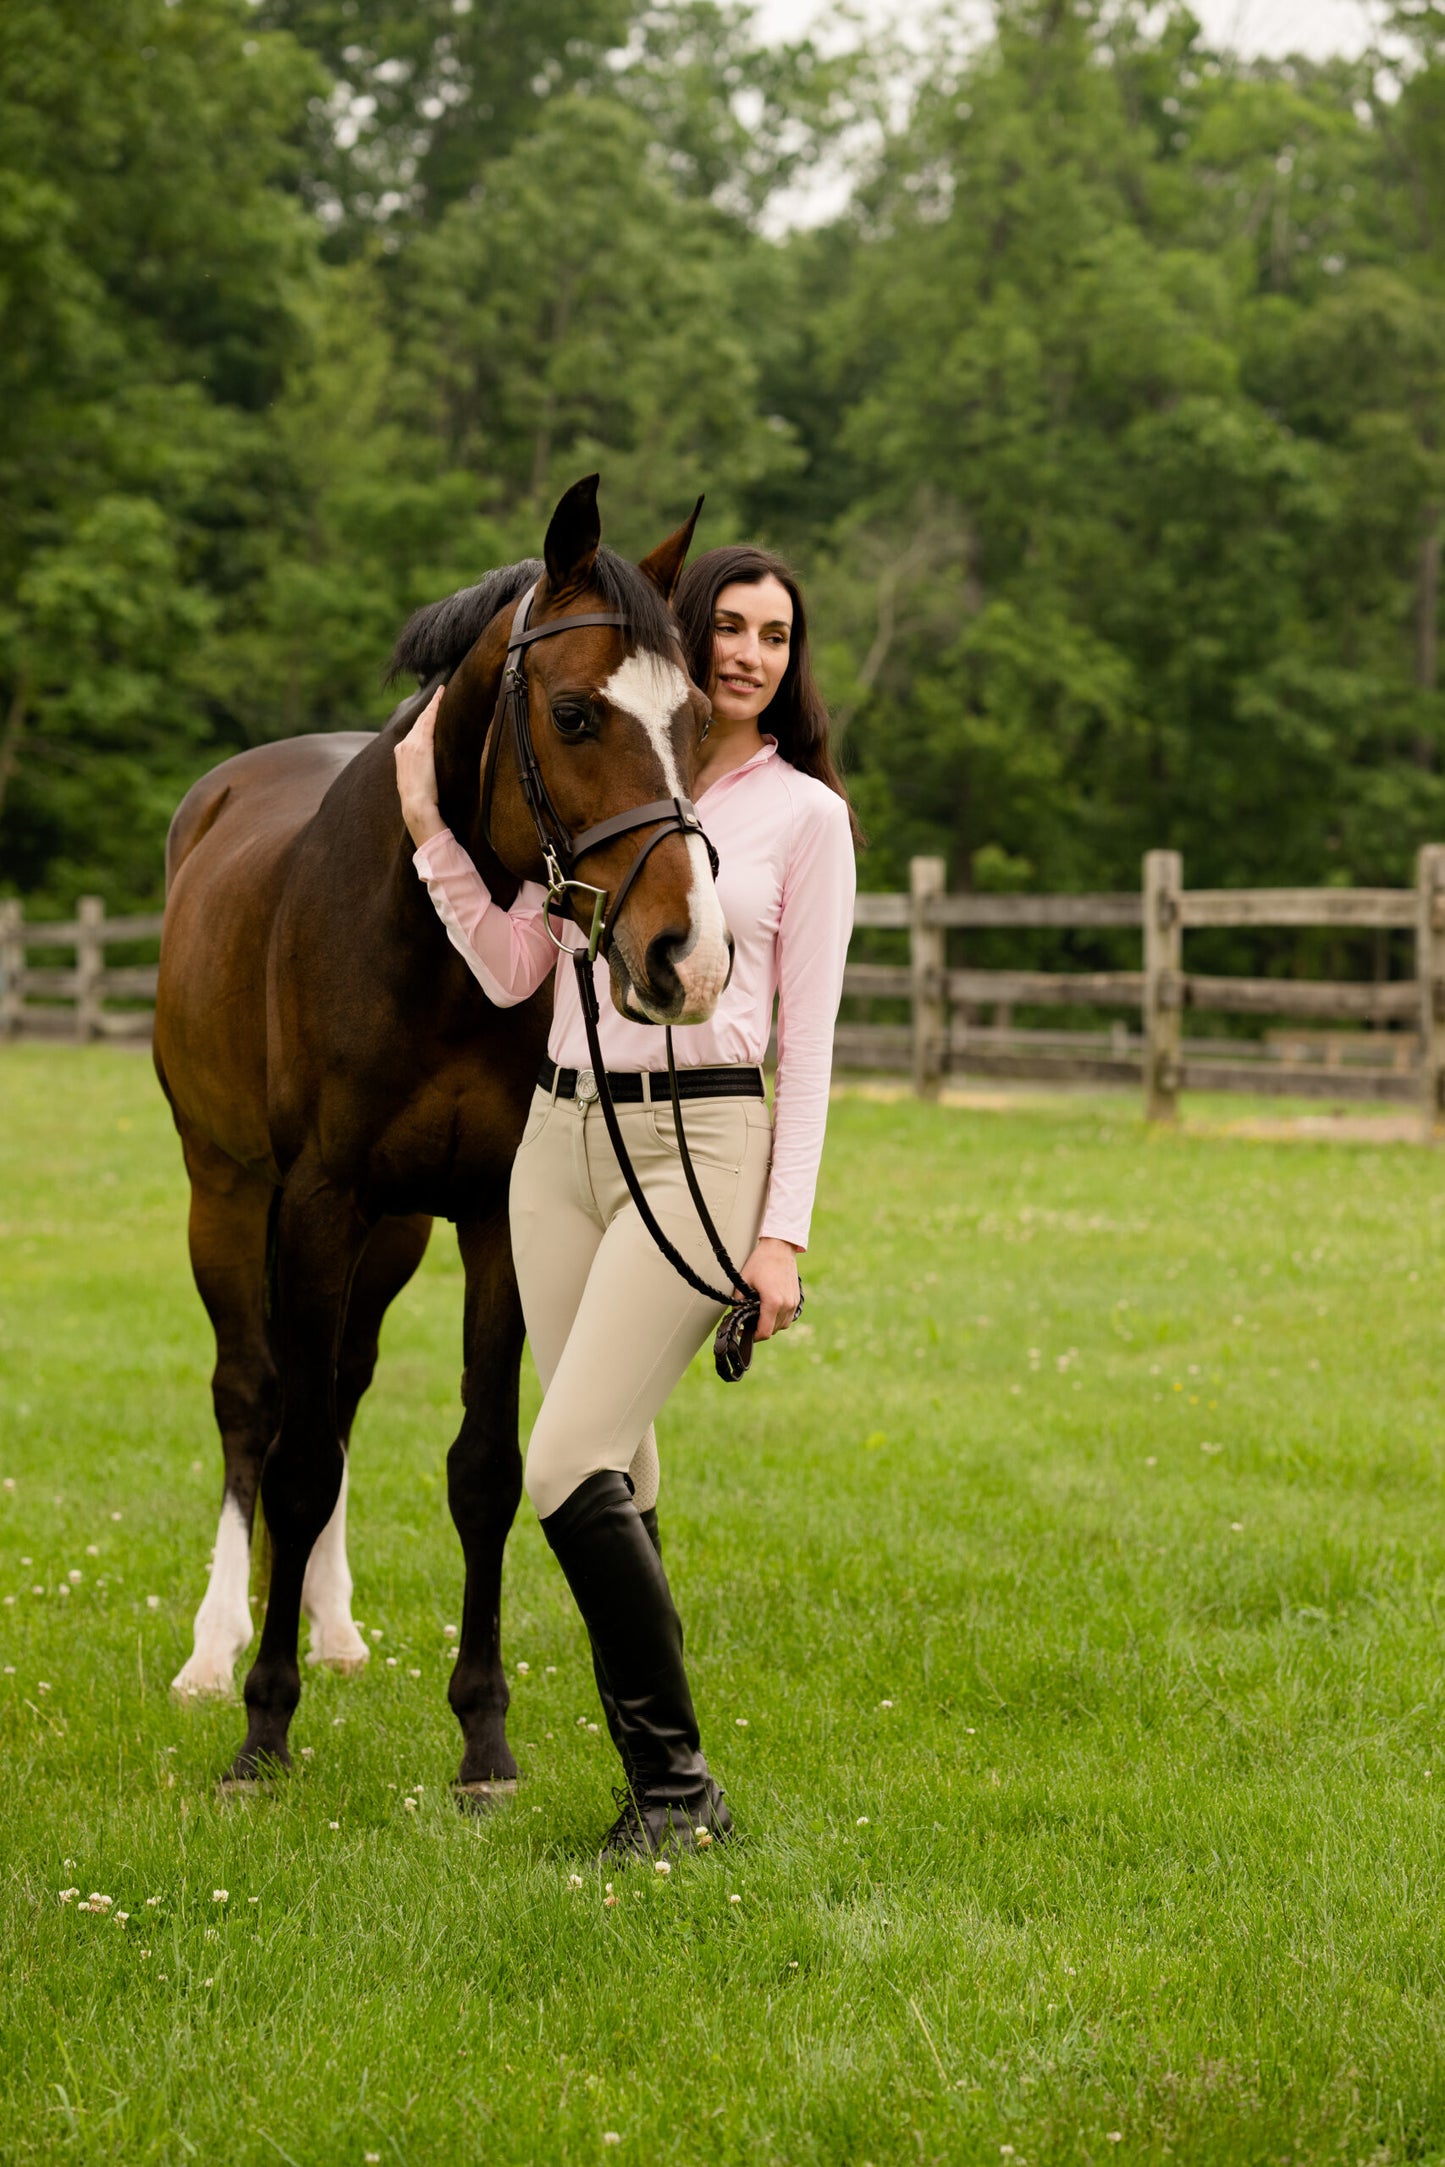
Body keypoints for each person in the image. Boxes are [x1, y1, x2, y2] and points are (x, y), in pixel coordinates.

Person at [394, 544, 859, 1858]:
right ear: (677, 635)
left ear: (789, 662)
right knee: (624, 1463)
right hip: (556, 1137)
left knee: (562, 1460)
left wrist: (782, 1235)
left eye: (775, 636)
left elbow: (808, 1044)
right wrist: (437, 839)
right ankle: (655, 1788)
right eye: (728, 625)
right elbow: (510, 973)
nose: (748, 653)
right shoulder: (604, 776)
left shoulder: (803, 820)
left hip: (701, 1146)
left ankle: (676, 1796)